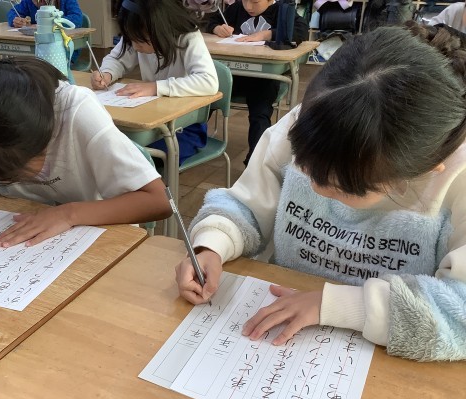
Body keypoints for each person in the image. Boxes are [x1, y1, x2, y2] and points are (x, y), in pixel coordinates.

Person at [175, 26, 466, 361]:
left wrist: (336, 306)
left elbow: (459, 313)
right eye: (306, 167)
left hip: (377, 361)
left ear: (424, 172)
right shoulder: (309, 124)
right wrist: (211, 245)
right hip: (281, 330)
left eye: (342, 186)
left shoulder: (455, 178)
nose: (314, 186)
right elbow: (246, 204)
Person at [0, 57, 171, 247]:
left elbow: (158, 201)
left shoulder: (76, 113)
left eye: (15, 170)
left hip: (97, 232)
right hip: (23, 237)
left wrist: (68, 214)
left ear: (42, 137)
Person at [91, 0, 219, 165]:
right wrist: (107, 73)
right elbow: (118, 59)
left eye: (140, 41)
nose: (135, 47)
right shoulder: (138, 31)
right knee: (110, 146)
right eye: (131, 40)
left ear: (160, 30)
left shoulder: (187, 37)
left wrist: (156, 87)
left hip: (184, 126)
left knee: (137, 157)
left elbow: (209, 81)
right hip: (151, 119)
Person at [206, 0, 308, 164]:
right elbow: (212, 21)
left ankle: (255, 161)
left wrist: (268, 34)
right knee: (205, 98)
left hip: (264, 79)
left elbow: (301, 31)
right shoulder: (236, 8)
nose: (248, 7)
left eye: (255, 2)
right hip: (235, 76)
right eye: (245, 1)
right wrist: (217, 28)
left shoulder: (282, 10)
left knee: (260, 113)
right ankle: (187, 144)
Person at [7, 0, 82, 28]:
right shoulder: (29, 2)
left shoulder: (66, 1)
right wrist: (16, 21)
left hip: (65, 46)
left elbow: (77, 18)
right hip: (37, 44)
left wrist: (49, 23)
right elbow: (13, 12)